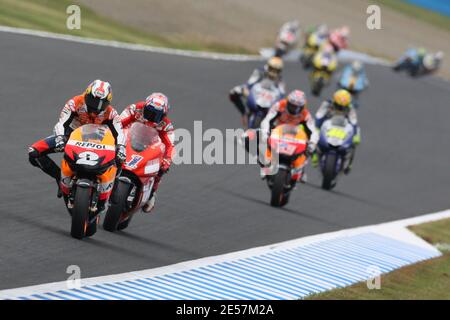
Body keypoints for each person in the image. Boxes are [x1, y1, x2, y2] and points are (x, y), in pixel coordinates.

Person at [28, 80, 126, 211]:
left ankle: (114, 185)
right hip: (72, 137)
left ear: (108, 103)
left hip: (100, 142)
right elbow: (61, 123)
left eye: (102, 103)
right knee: (33, 152)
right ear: (86, 95)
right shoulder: (75, 103)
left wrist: (121, 147)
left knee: (120, 157)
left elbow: (120, 133)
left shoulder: (111, 113)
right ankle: (59, 177)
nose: (96, 107)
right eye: (93, 100)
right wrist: (60, 137)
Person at [120, 92, 175, 213]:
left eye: (157, 115)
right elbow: (118, 123)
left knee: (160, 168)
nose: (152, 116)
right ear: (144, 106)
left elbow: (170, 145)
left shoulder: (166, 125)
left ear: (163, 115)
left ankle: (152, 193)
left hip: (149, 147)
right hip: (129, 140)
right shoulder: (134, 109)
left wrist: (167, 160)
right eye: (149, 111)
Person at [260, 90, 318, 183]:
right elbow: (266, 120)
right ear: (287, 102)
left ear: (302, 107)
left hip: (295, 135)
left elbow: (314, 131)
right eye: (292, 105)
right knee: (262, 138)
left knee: (308, 148)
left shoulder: (305, 114)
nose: (294, 109)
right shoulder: (279, 105)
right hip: (277, 130)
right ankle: (265, 164)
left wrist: (313, 143)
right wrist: (265, 133)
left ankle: (301, 168)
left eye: (297, 107)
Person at [312, 89, 361, 174]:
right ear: (334, 101)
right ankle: (314, 156)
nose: (340, 109)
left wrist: (356, 135)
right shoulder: (326, 104)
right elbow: (319, 116)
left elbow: (353, 122)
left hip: (342, 128)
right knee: (313, 136)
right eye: (338, 106)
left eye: (343, 107)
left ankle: (348, 164)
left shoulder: (350, 108)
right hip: (327, 126)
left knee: (354, 142)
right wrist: (317, 127)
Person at [229, 57, 286, 127]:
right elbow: (249, 83)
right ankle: (244, 113)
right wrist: (245, 90)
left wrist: (281, 102)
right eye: (271, 69)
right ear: (268, 67)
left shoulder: (280, 80)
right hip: (257, 92)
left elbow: (282, 94)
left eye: (277, 71)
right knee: (234, 91)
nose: (273, 73)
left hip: (270, 97)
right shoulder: (260, 71)